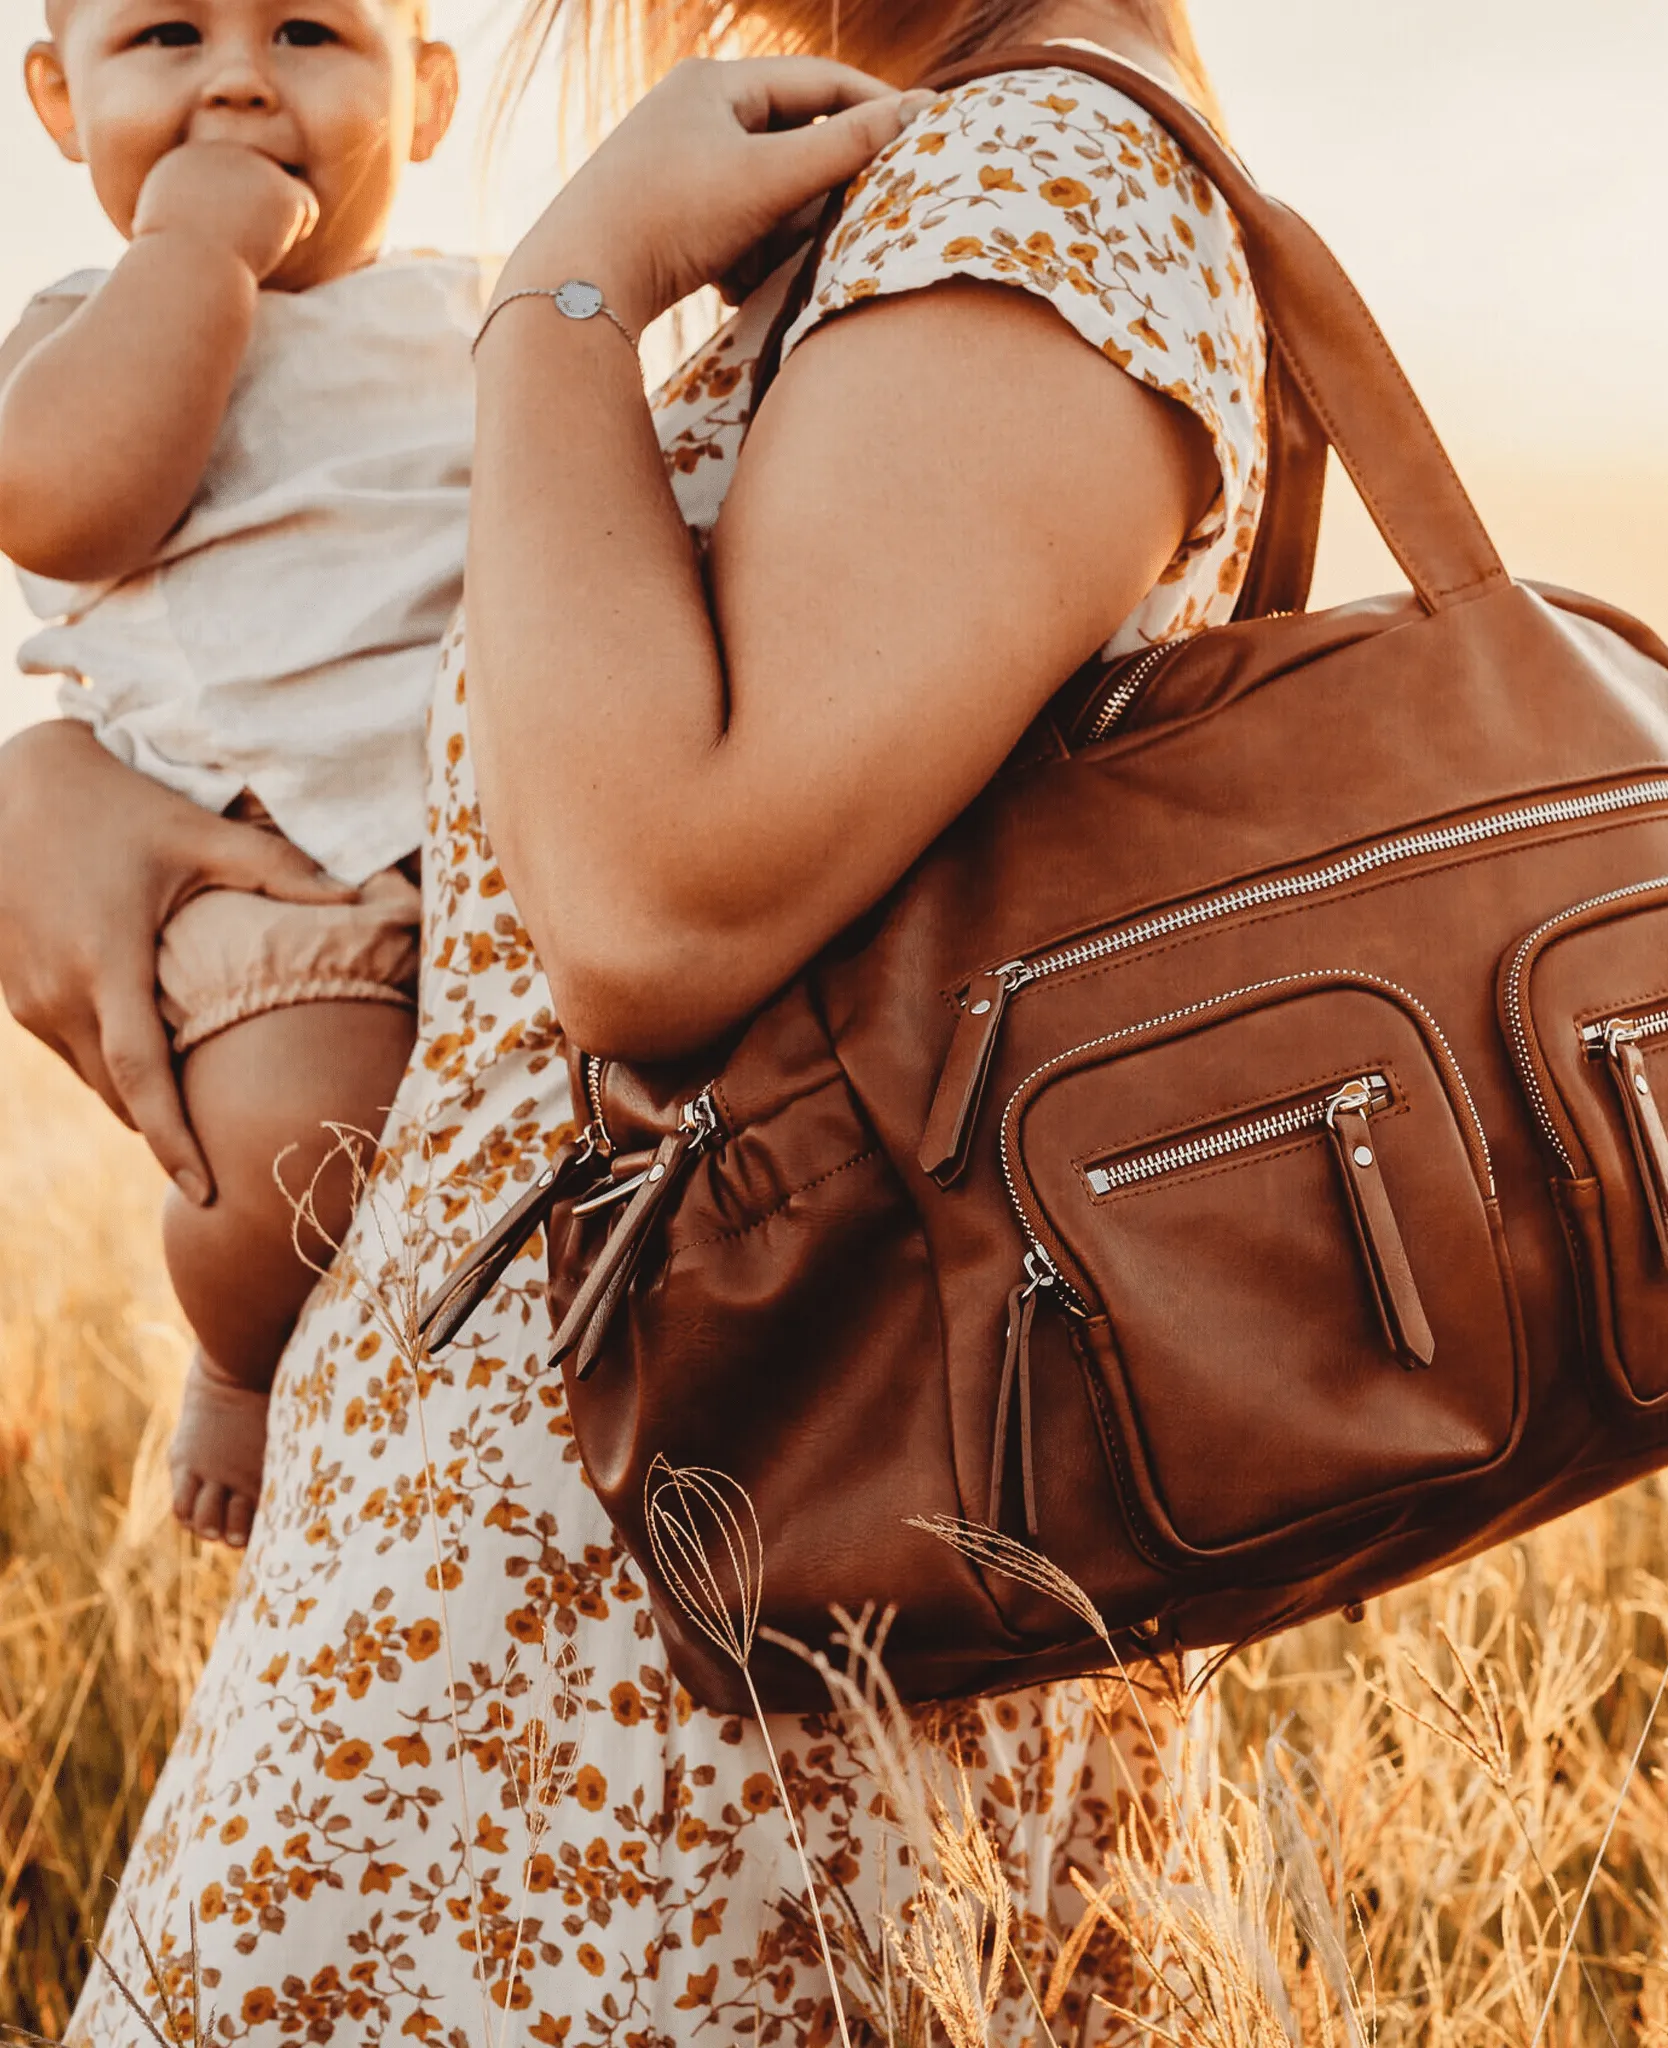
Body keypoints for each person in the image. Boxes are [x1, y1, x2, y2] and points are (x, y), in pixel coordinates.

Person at [0, 0, 1269, 2032]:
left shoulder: (1035, 186)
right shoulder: (901, 186)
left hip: (653, 1686)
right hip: (541, 1645)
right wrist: (59, 786)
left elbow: (659, 903)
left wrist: (564, 305)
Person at [0, 0, 472, 1550]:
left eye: (309, 34)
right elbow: (62, 510)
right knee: (295, 1161)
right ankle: (241, 1362)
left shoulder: (484, 310)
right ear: (60, 104)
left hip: (496, 846)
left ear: (426, 102)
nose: (238, 81)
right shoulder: (88, 321)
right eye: (168, 38)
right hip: (258, 864)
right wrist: (196, 258)